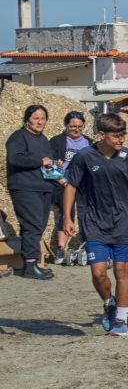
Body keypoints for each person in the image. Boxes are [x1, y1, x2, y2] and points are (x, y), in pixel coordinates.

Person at [60, 113, 128, 336]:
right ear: (101, 135)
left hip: (124, 220)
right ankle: (108, 302)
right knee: (99, 273)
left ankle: (121, 320)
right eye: (116, 136)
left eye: (123, 135)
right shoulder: (85, 156)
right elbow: (71, 186)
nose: (121, 139)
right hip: (94, 222)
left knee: (122, 270)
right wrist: (67, 217)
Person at [5, 105, 58, 279]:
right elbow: (15, 158)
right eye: (36, 118)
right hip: (25, 187)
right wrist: (39, 160)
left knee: (38, 226)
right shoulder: (18, 137)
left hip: (43, 187)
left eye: (43, 118)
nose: (40, 122)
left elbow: (45, 162)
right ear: (27, 119)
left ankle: (29, 263)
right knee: (32, 224)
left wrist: (55, 165)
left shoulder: (43, 139)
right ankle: (30, 266)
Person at [50, 111, 92, 264]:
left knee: (89, 210)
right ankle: (61, 247)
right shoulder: (56, 142)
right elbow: (48, 166)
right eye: (73, 126)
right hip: (63, 181)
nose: (76, 130)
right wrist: (62, 180)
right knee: (66, 210)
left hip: (83, 182)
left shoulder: (88, 142)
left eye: (80, 127)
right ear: (66, 125)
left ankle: (90, 244)